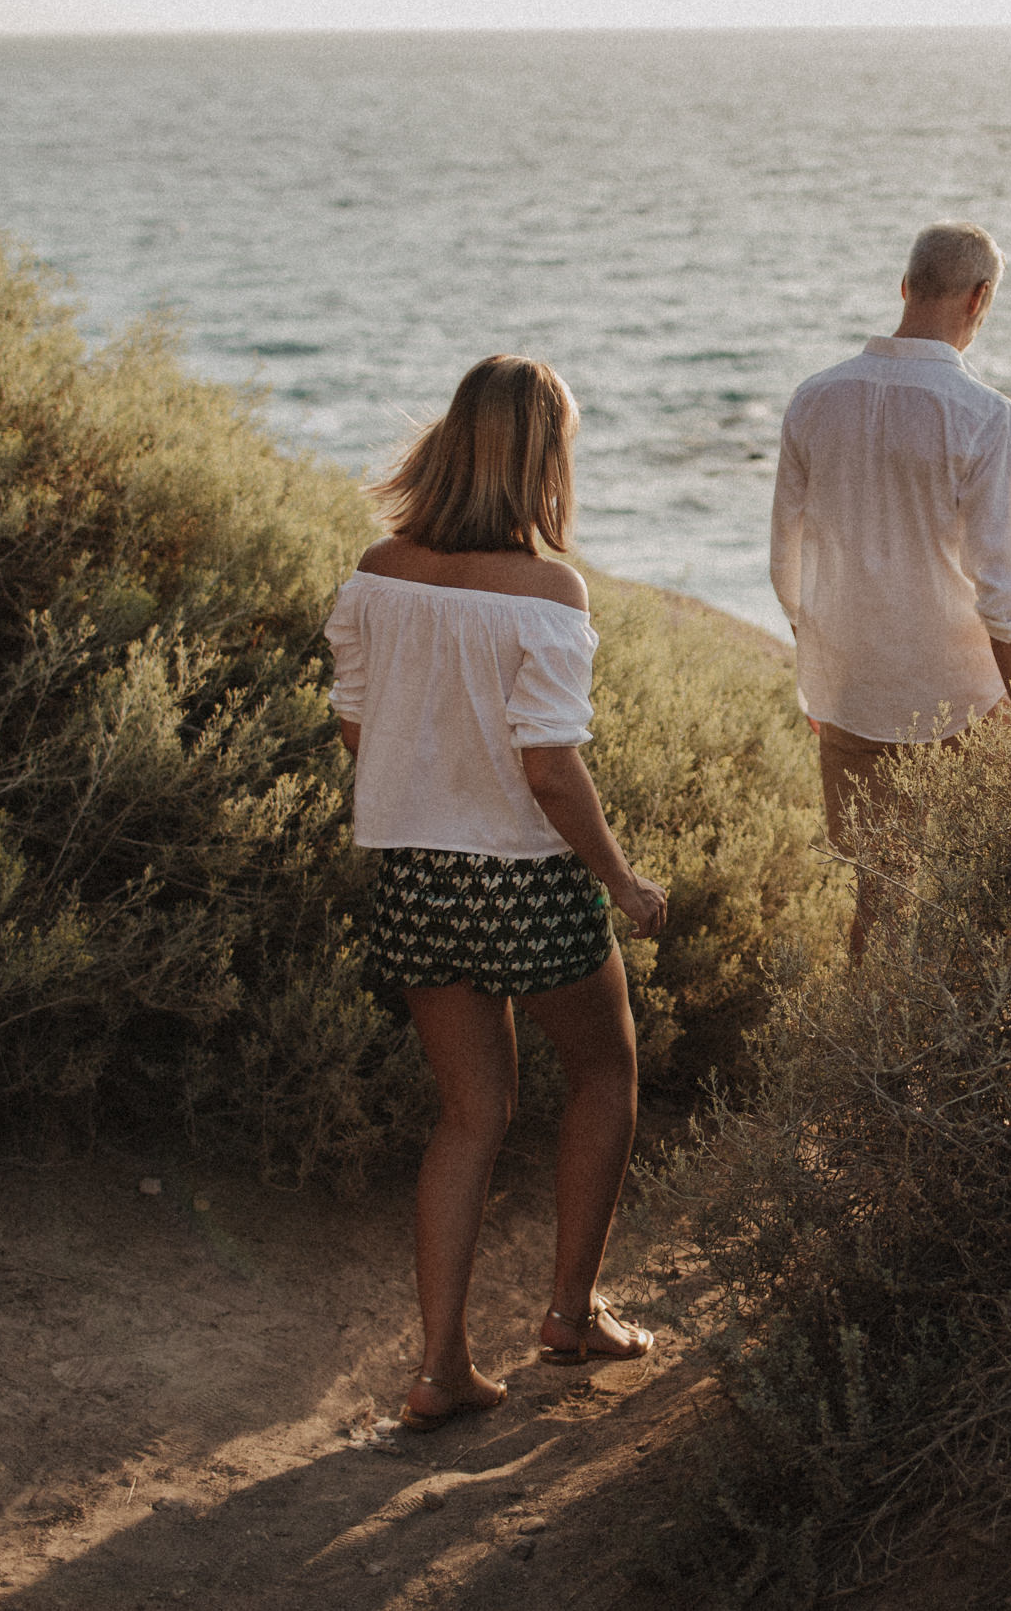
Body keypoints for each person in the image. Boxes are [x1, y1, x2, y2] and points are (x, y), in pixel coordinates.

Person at [324, 354, 671, 1432]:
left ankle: (440, 1369)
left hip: (416, 874)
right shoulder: (546, 593)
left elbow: (355, 725)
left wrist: (433, 761)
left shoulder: (378, 571)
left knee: (468, 1115)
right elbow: (549, 766)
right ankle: (569, 1313)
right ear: (543, 458)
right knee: (604, 1068)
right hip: (523, 877)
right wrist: (619, 878)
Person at [770, 222, 1011, 958]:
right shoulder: (985, 416)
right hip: (960, 702)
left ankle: (868, 1064)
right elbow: (1004, 588)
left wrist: (821, 671)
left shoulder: (812, 399)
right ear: (979, 299)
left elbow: (785, 565)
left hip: (850, 694)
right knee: (979, 908)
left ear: (904, 287)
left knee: (879, 905)